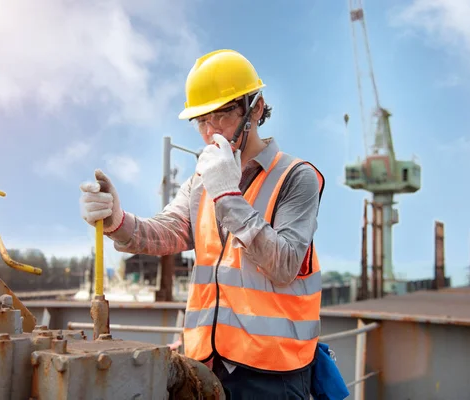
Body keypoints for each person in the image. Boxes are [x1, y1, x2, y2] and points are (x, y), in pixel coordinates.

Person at [79, 49, 325, 399]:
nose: (211, 133)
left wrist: (227, 195)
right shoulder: (200, 179)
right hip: (204, 364)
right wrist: (118, 221)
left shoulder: (296, 178)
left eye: (222, 116)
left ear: (255, 108)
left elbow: (284, 265)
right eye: (201, 121)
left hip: (272, 374)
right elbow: (172, 230)